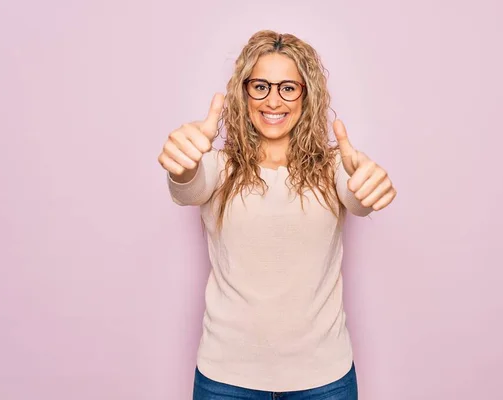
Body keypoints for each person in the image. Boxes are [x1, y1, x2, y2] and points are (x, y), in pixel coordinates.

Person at [158, 30, 396, 400]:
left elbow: (357, 196)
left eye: (288, 87)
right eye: (261, 86)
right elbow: (187, 186)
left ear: (306, 95)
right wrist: (181, 167)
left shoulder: (334, 166)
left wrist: (368, 186)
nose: (273, 100)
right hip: (226, 378)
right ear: (244, 93)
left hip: (324, 379)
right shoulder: (218, 166)